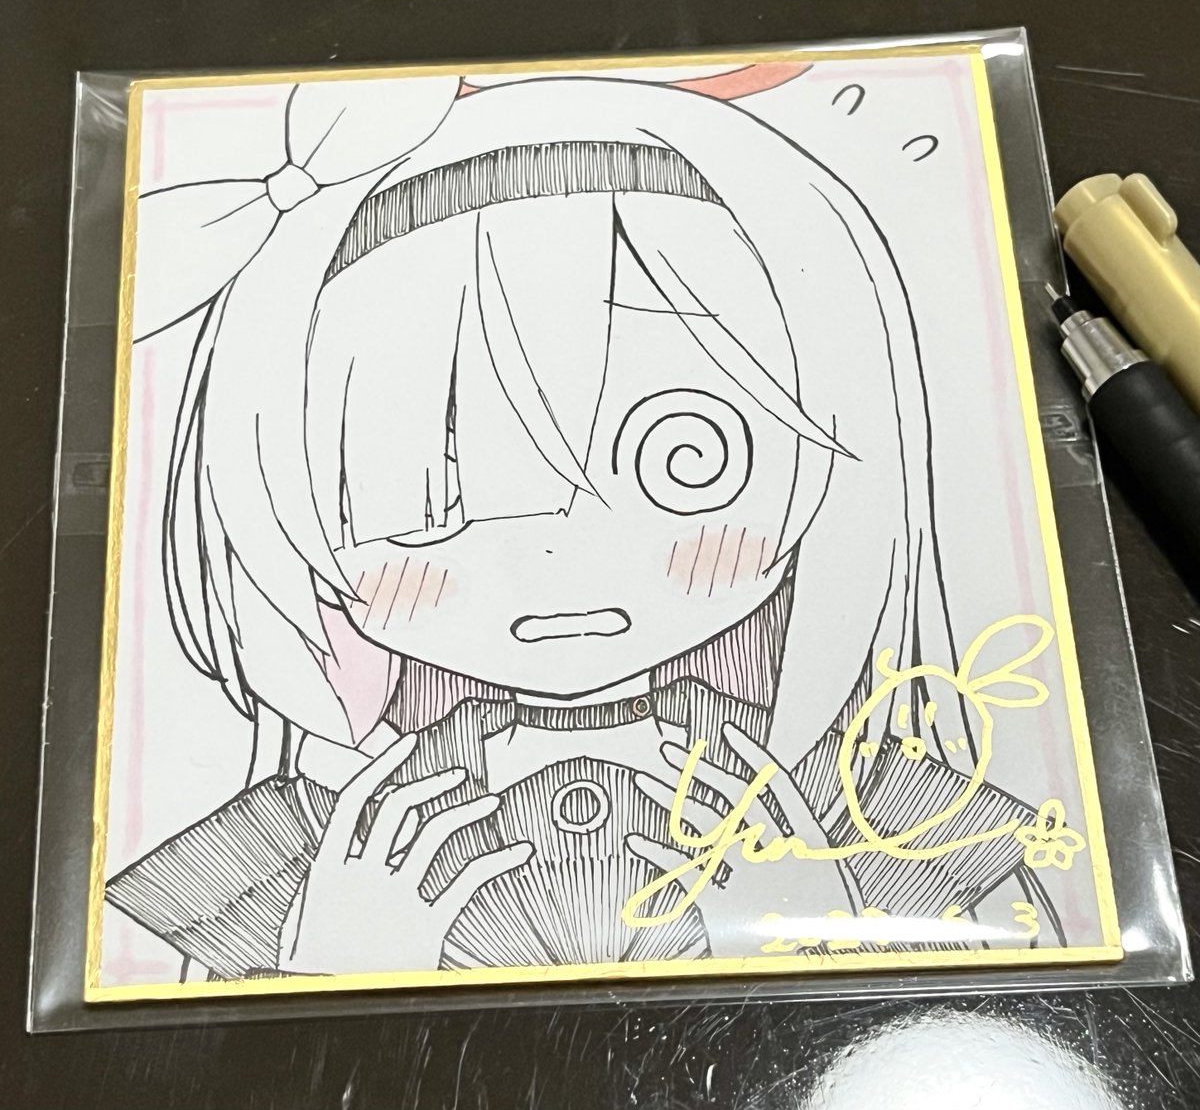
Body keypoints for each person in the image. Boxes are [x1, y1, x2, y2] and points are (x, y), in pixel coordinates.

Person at [108, 73, 1054, 981]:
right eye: (427, 500)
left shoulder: (883, 814)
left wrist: (825, 949)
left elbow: (990, 1023)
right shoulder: (310, 849)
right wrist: (340, 971)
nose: (559, 561)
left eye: (682, 462)